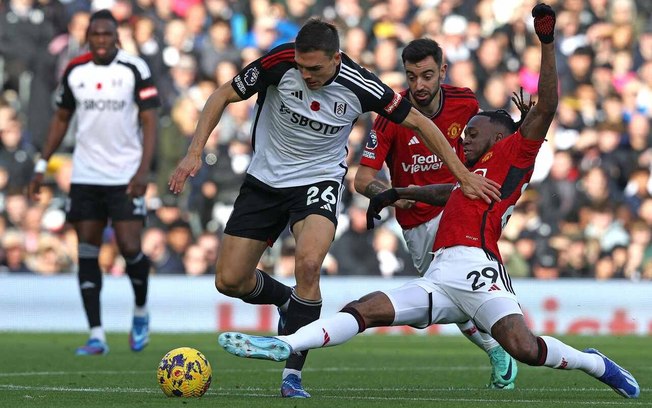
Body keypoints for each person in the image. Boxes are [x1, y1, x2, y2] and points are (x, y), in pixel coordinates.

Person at [216, 5, 641, 399]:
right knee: (365, 310)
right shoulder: (453, 166)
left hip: (478, 270)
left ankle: (591, 362)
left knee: (525, 347)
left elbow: (546, 105)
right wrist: (397, 192)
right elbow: (440, 189)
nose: (462, 139)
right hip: (438, 266)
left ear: (500, 136)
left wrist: (546, 44)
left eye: (473, 133)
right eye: (464, 132)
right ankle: (285, 343)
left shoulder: (511, 157)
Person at [168, 18, 500, 398]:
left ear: (336, 58)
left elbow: (421, 123)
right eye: (301, 65)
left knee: (309, 265)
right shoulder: (279, 62)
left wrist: (462, 175)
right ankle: (284, 300)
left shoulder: (362, 84)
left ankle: (291, 376)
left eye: (315, 68)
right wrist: (194, 152)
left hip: (318, 181)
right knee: (229, 280)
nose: (305, 74)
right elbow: (222, 95)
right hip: (264, 181)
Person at [354, 37, 516, 389]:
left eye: (427, 75)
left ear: (442, 70)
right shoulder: (389, 114)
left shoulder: (465, 101)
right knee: (454, 299)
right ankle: (497, 344)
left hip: (461, 206)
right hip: (418, 224)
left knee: (464, 283)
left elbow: (490, 147)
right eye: (411, 77)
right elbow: (363, 179)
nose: (419, 85)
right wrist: (392, 196)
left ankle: (509, 340)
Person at [28, 9, 160, 356]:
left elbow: (149, 120)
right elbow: (61, 118)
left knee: (130, 247)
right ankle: (96, 334)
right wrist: (42, 164)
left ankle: (141, 311)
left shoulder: (134, 68)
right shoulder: (75, 70)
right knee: (87, 249)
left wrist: (144, 170)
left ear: (116, 36)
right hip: (86, 175)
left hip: (125, 175)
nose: (101, 39)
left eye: (107, 33)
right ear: (87, 37)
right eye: (95, 34)